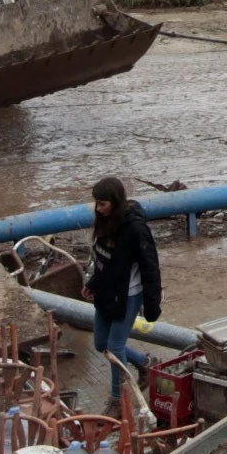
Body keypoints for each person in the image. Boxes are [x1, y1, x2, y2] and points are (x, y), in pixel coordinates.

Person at [86, 176, 164, 417]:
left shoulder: (135, 230)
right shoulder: (104, 222)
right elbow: (101, 259)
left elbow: (151, 267)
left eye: (102, 204)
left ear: (115, 202)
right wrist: (92, 282)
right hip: (106, 292)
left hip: (127, 295)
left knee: (114, 346)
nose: (98, 209)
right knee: (101, 344)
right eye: (96, 204)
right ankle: (144, 362)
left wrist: (152, 305)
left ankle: (117, 401)